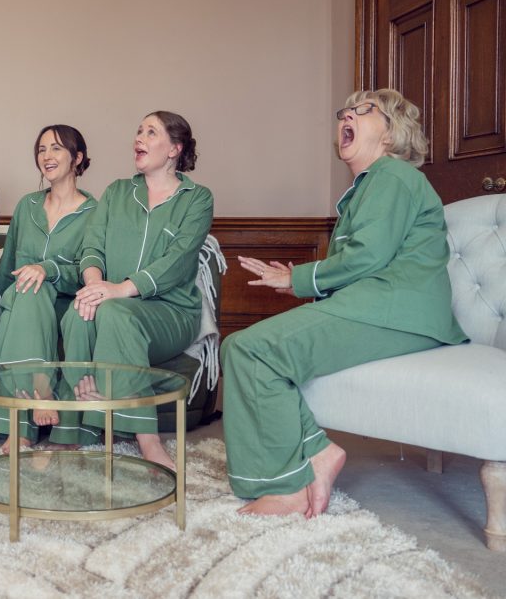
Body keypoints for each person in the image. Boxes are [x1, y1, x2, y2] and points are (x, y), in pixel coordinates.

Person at [223, 89, 468, 517]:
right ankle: (315, 453)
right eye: (343, 113)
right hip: (378, 308)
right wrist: (299, 282)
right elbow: (363, 260)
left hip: (395, 312)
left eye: (363, 111)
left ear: (391, 134)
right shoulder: (372, 186)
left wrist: (296, 277)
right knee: (238, 347)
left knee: (250, 348)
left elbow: (367, 257)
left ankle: (290, 484)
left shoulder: (392, 176)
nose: (346, 118)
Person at [48, 111, 214, 469]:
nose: (138, 137)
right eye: (138, 130)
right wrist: (94, 286)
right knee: (80, 314)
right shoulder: (117, 192)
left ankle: (148, 440)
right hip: (112, 301)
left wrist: (120, 289)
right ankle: (76, 431)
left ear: (174, 148)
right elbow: (92, 249)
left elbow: (178, 261)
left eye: (150, 132)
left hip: (171, 312)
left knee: (115, 314)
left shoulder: (196, 199)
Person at [0, 125, 97, 452]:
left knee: (33, 285)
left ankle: (24, 425)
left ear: (77, 158)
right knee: (25, 291)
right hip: (21, 303)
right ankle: (41, 398)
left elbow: (91, 270)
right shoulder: (26, 206)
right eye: (42, 149)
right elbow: (6, 269)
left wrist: (48, 269)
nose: (46, 156)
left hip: (65, 307)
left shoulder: (95, 213)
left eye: (56, 148)